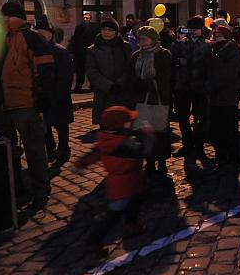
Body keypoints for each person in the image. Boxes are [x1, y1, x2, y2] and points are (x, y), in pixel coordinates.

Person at [0, 2, 53, 210]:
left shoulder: (32, 38)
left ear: (19, 18)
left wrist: (42, 97)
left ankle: (41, 190)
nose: (3, 20)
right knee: (6, 150)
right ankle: (17, 188)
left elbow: (46, 69)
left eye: (8, 16)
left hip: (25, 103)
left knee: (34, 149)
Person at [72, 106, 154, 257]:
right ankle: (94, 240)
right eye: (129, 122)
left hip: (127, 183)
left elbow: (93, 155)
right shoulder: (124, 143)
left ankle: (131, 225)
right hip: (124, 185)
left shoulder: (106, 139)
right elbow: (144, 151)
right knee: (113, 216)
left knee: (135, 202)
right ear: (122, 125)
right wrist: (148, 135)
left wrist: (79, 165)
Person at [130, 26, 172, 176]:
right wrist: (136, 83)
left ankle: (161, 161)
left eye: (144, 38)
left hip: (159, 99)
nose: (141, 41)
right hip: (141, 100)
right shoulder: (136, 56)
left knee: (159, 132)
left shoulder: (164, 54)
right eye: (139, 38)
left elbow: (166, 77)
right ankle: (149, 161)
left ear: (153, 39)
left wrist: (150, 84)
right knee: (144, 132)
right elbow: (131, 74)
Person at [170, 16, 212, 166]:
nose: (193, 31)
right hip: (182, 87)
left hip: (200, 88)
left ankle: (198, 146)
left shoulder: (207, 46)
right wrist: (178, 41)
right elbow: (173, 59)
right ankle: (187, 144)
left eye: (196, 28)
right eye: (191, 28)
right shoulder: (180, 43)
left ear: (202, 30)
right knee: (182, 118)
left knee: (200, 118)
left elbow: (209, 67)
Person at [34, 17, 73, 165]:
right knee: (45, 127)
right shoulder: (35, 51)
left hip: (58, 96)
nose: (40, 36)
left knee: (62, 126)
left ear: (50, 34)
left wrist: (60, 94)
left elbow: (66, 76)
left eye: (43, 33)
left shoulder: (59, 51)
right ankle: (50, 149)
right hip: (43, 96)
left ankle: (63, 150)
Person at [87, 18, 134, 128]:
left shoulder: (125, 46)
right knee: (106, 127)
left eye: (110, 30)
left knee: (122, 127)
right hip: (103, 94)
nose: (106, 32)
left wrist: (120, 83)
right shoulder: (93, 49)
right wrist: (107, 85)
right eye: (104, 29)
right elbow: (91, 70)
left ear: (116, 32)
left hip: (122, 93)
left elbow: (130, 68)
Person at [207, 26, 240, 166]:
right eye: (215, 37)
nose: (217, 40)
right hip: (215, 96)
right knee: (217, 128)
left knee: (228, 128)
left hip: (227, 96)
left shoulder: (231, 50)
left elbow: (228, 74)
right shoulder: (213, 50)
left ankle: (231, 157)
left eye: (220, 37)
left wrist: (212, 86)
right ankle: (220, 154)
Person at [69, 12, 98, 92]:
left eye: (87, 18)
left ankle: (93, 86)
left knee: (91, 69)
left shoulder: (94, 28)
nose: (85, 20)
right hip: (80, 53)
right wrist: (74, 51)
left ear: (90, 19)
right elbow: (75, 40)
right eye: (84, 18)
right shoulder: (79, 27)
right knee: (80, 71)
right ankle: (78, 87)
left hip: (90, 52)